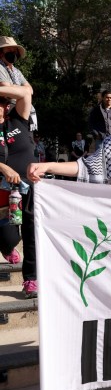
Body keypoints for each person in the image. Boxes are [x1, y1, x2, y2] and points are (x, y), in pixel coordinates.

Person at [0, 84, 37, 298]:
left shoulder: (18, 119)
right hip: (4, 191)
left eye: (5, 102)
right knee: (8, 237)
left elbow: (25, 92)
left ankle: (31, 279)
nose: (4, 107)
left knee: (32, 235)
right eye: (0, 103)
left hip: (30, 187)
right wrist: (3, 167)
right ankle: (6, 245)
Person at [0, 36, 36, 131]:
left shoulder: (16, 71)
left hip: (21, 110)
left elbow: (30, 90)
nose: (12, 52)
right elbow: (7, 89)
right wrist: (21, 90)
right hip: (9, 113)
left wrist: (16, 89)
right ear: (1, 52)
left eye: (14, 50)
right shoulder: (0, 68)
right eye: (8, 49)